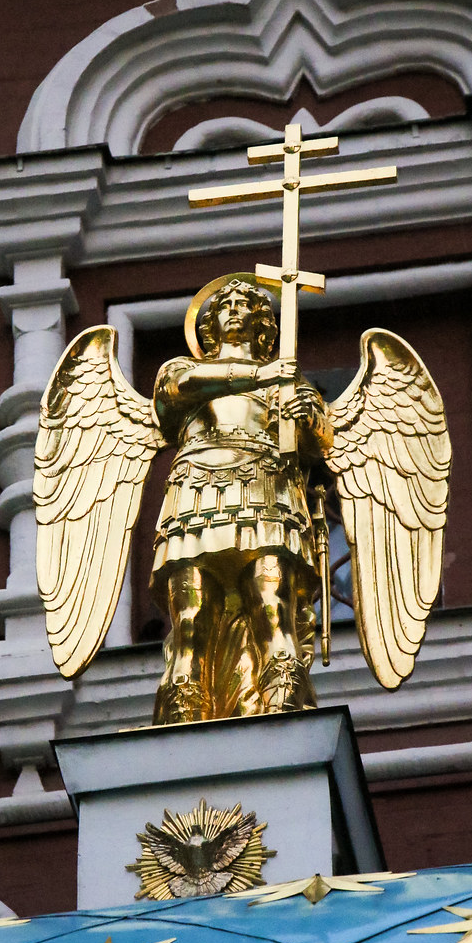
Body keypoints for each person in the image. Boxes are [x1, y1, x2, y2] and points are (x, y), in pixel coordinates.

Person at [150, 278, 331, 723]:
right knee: (191, 619)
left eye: (245, 304)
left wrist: (305, 416)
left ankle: (285, 709)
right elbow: (180, 388)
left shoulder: (288, 381)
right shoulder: (181, 368)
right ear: (208, 324)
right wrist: (261, 375)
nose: (234, 310)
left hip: (266, 491)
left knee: (271, 609)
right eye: (224, 305)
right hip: (196, 494)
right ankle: (181, 718)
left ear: (262, 322)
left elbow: (320, 442)